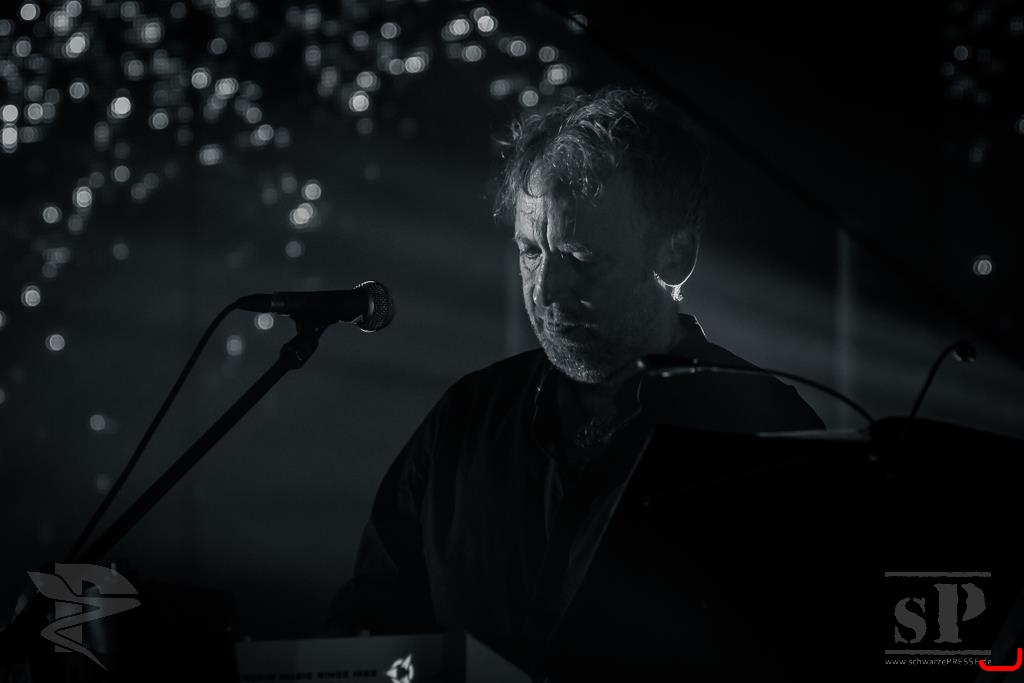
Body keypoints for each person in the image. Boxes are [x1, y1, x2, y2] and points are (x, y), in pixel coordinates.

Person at [326, 87, 832, 680]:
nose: (545, 290)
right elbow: (372, 625)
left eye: (582, 258)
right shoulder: (466, 417)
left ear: (676, 255)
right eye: (529, 251)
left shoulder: (767, 430)